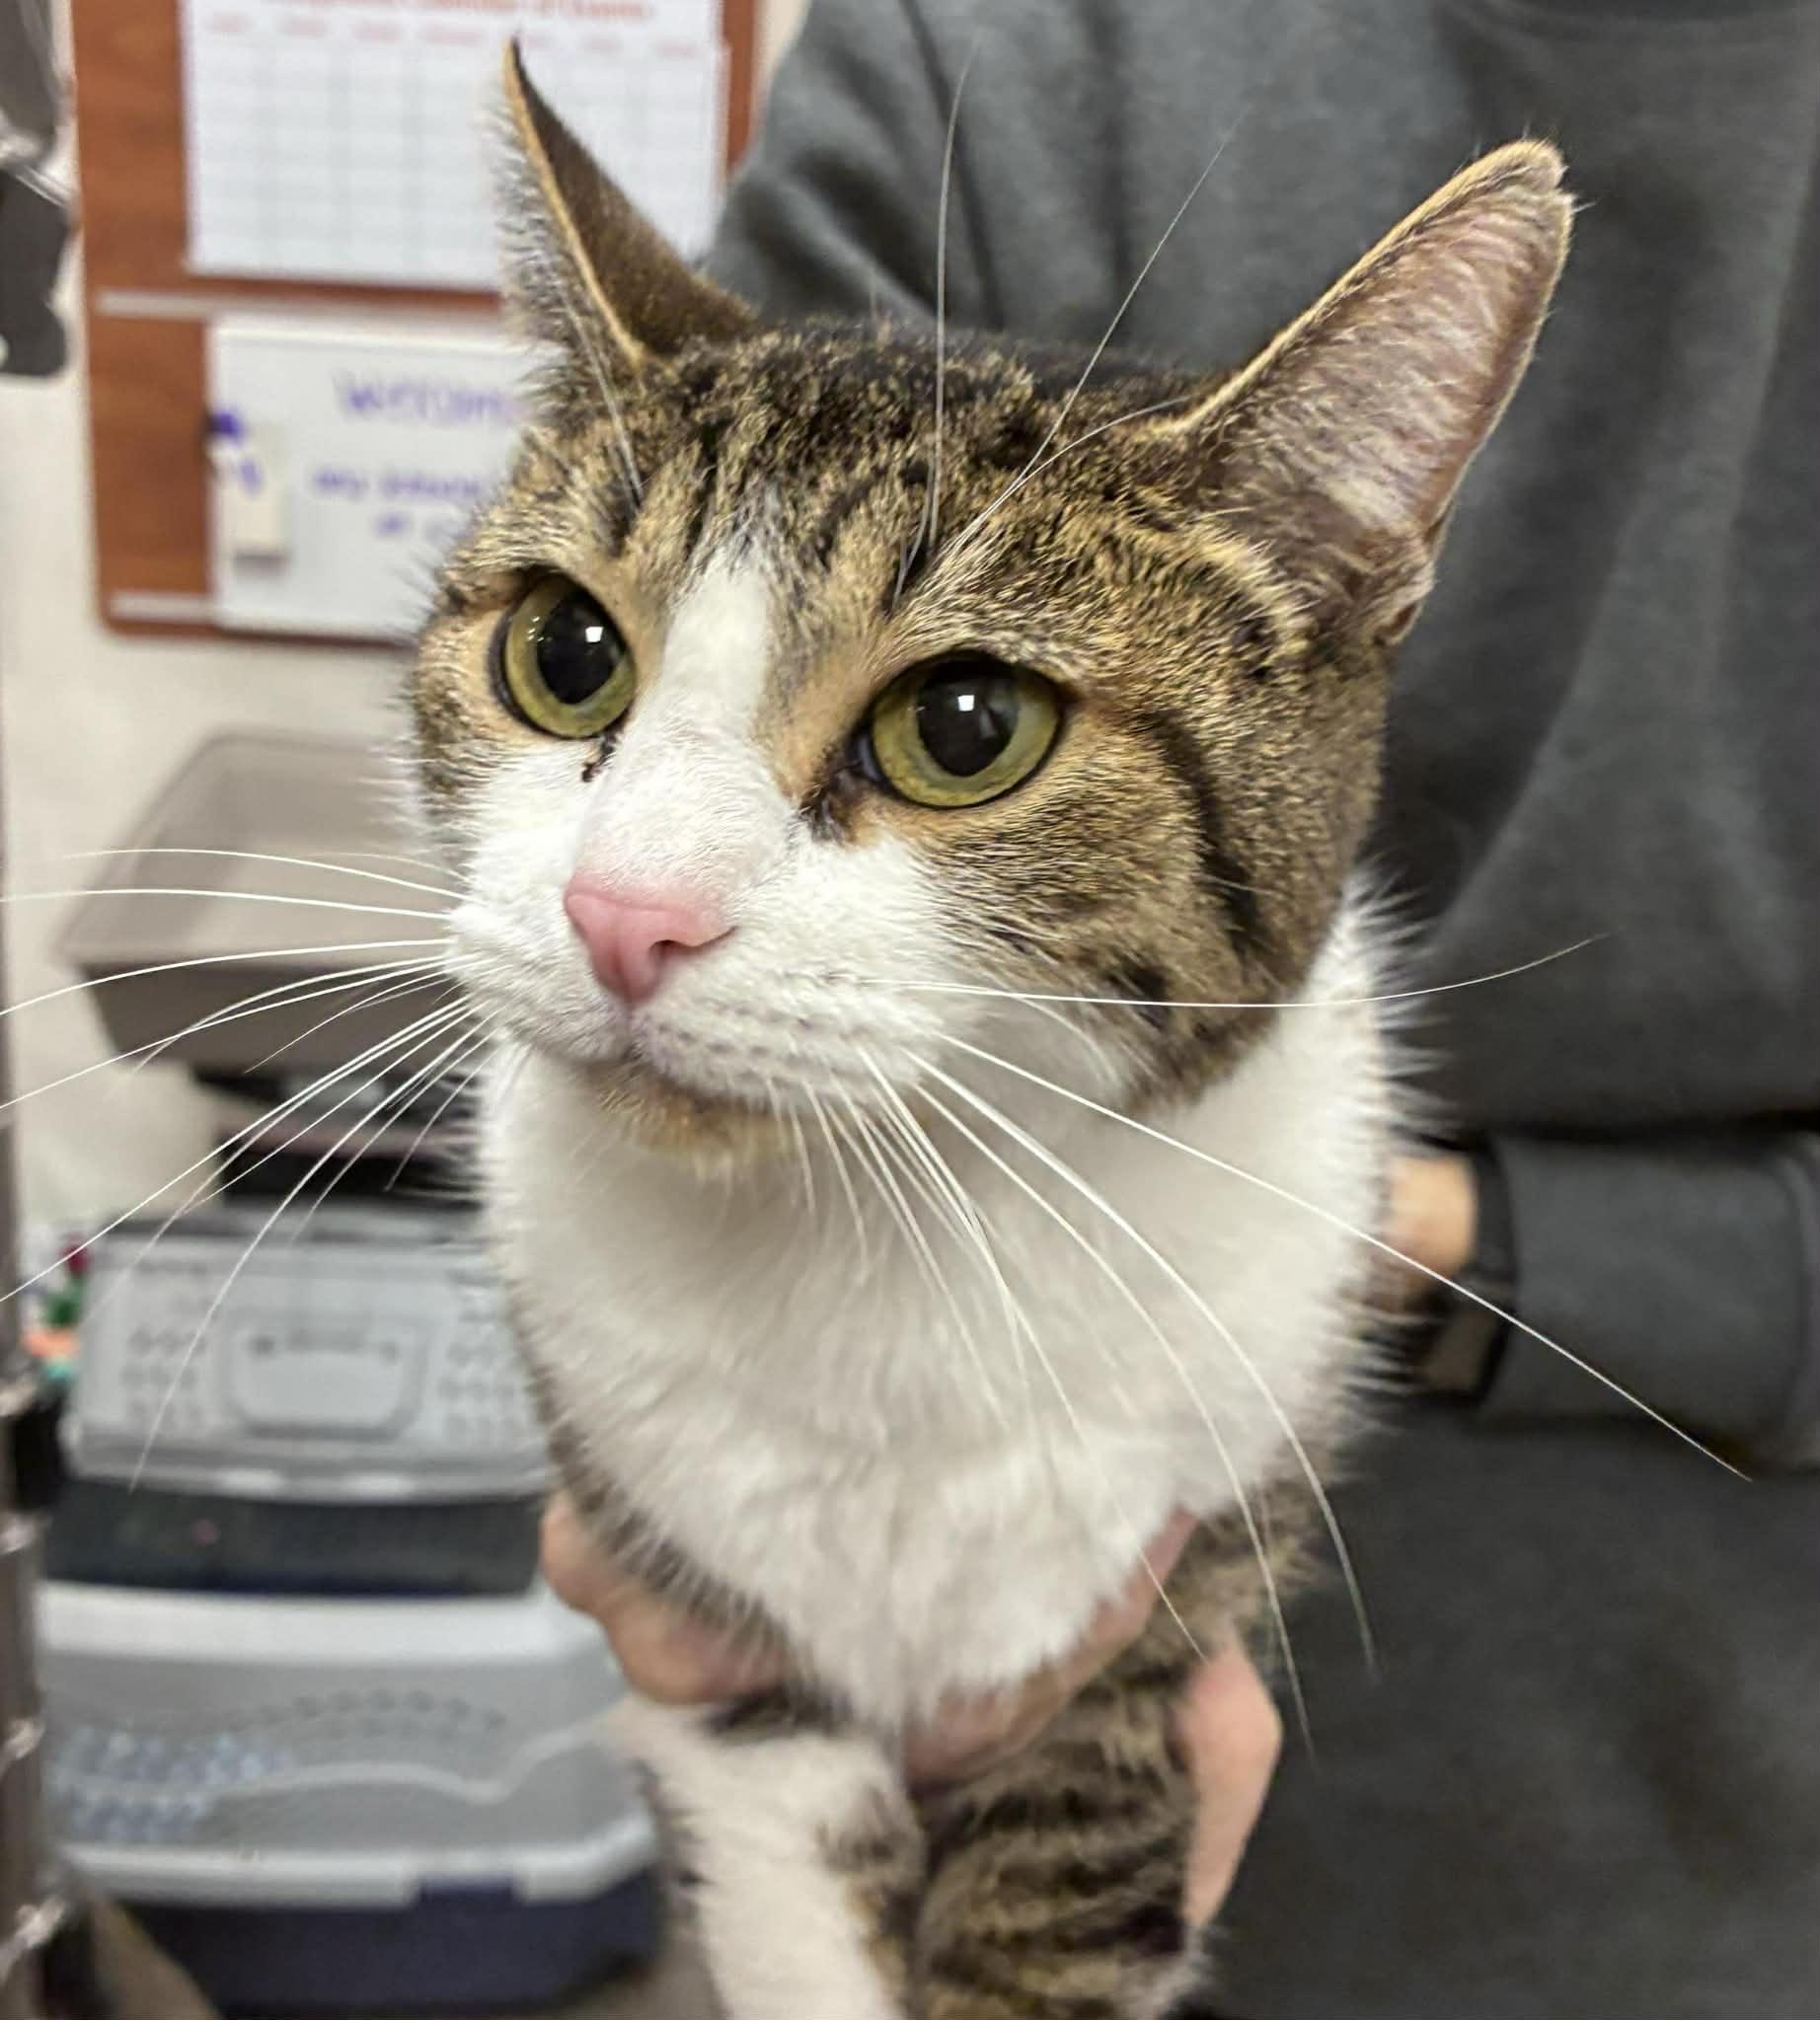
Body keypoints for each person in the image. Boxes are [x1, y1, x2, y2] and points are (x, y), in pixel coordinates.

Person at [547, 1, 1820, 2013]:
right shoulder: (989, 44)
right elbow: (721, 509)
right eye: (566, 667)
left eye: (959, 721)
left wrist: (1439, 1240)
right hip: (906, 1666)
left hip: (1728, 1801)